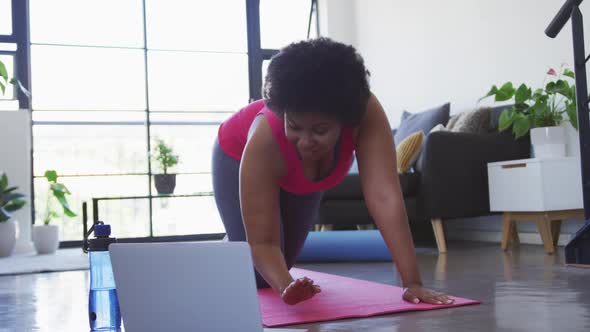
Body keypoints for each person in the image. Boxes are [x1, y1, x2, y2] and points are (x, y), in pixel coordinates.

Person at [212, 37, 453, 306]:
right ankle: (219, 253)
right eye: (295, 126)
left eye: (320, 131)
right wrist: (286, 287)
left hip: (301, 176)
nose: (305, 142)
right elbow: (264, 243)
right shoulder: (264, 142)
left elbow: (385, 198)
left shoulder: (366, 114)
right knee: (259, 275)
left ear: (345, 121)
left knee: (284, 260)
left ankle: (231, 245)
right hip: (234, 154)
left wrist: (413, 282)